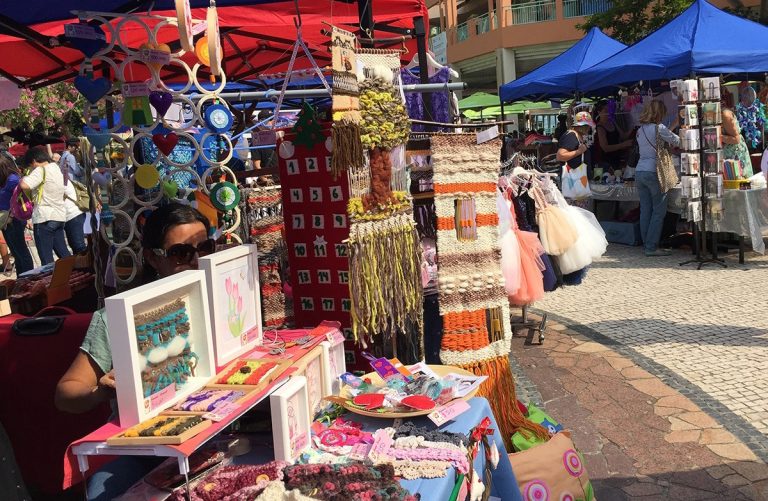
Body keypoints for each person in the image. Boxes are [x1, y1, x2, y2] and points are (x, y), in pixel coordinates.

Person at [55, 203, 215, 500]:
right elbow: (66, 393)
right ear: (154, 258)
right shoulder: (118, 316)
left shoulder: (221, 294)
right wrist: (102, 391)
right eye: (181, 253)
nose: (196, 261)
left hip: (215, 432)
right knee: (105, 494)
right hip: (146, 446)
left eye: (204, 247)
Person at [635, 100, 681, 257]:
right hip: (654, 171)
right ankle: (651, 247)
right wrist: (675, 125)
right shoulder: (659, 128)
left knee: (645, 210)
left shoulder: (640, 130)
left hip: (640, 171)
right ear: (659, 113)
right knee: (658, 211)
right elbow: (677, 140)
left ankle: (646, 243)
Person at [19, 146, 70, 265]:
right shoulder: (55, 168)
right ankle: (72, 276)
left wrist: (24, 177)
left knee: (46, 258)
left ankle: (50, 280)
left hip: (44, 218)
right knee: (64, 254)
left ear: (34, 161)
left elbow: (24, 185)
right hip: (59, 216)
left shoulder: (41, 170)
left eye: (30, 165)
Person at [0, 154, 34, 275]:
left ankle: (28, 275)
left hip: (14, 219)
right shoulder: (4, 179)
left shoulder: (13, 179)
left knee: (20, 250)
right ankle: (21, 276)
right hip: (5, 221)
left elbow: (23, 199)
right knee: (15, 250)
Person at [722, 86, 754, 177]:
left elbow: (736, 139)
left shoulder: (725, 114)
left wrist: (717, 136)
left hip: (734, 154)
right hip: (729, 153)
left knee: (739, 180)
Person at [593, 100, 633, 173]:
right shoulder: (600, 127)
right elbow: (605, 148)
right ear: (599, 112)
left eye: (609, 110)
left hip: (616, 160)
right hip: (604, 163)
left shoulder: (613, 122)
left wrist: (634, 128)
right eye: (605, 110)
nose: (608, 112)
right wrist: (623, 145)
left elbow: (623, 136)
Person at [63, 180, 87, 254]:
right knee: (75, 246)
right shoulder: (62, 177)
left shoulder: (61, 178)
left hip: (73, 215)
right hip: (71, 216)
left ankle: (84, 264)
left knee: (79, 246)